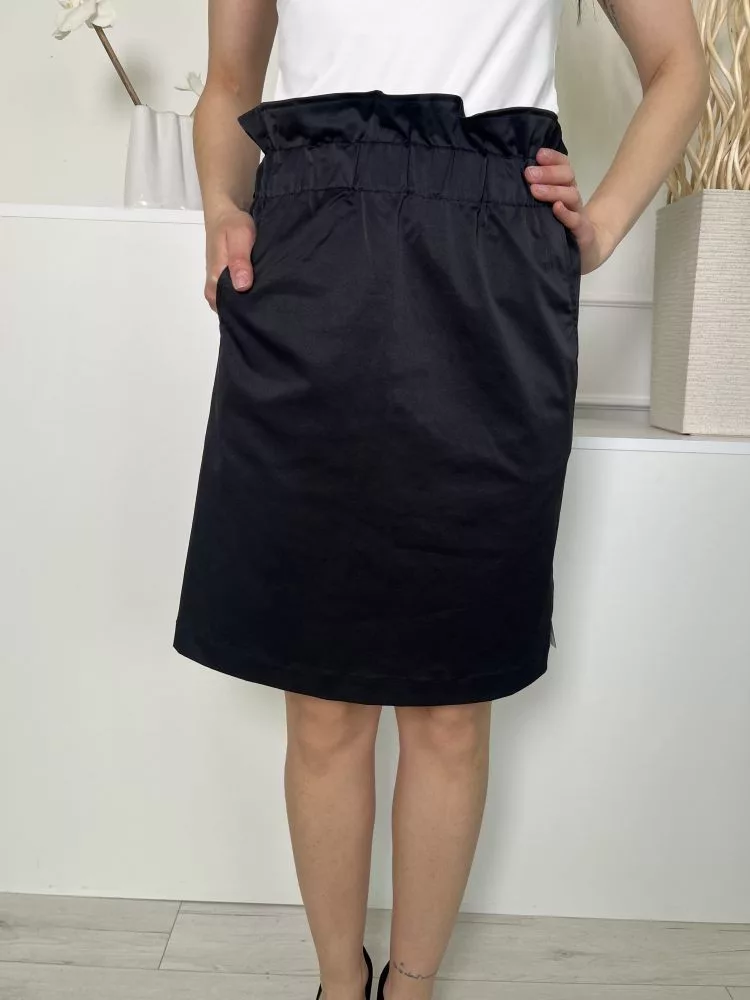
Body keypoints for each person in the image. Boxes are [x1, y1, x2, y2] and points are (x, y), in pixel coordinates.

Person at [172, 1, 708, 997]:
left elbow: (680, 63)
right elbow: (230, 86)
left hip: (490, 272)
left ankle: (410, 988)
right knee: (322, 703)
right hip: (310, 255)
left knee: (453, 706)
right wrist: (219, 206)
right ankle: (340, 985)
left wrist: (599, 226)